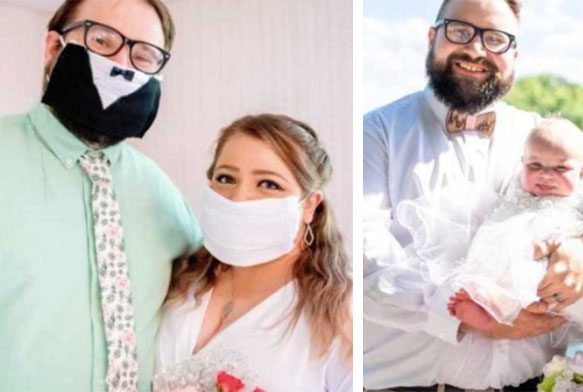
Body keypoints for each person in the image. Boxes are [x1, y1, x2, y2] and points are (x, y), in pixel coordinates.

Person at [364, 0, 583, 390]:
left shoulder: (542, 135)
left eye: (496, 39)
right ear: (433, 36)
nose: (476, 49)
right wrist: (467, 314)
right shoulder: (376, 132)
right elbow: (366, 263)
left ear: (515, 55)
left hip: (531, 383)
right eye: (460, 31)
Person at [0, 1, 201, 391]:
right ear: (53, 49)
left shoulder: (166, 200)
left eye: (143, 55)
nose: (122, 65)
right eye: (102, 40)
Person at [154, 115, 353, 391]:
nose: (239, 197)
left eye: (268, 184)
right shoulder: (182, 280)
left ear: (309, 206)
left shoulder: (340, 311)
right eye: (226, 178)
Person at [438, 119, 583, 333]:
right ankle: (485, 310)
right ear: (523, 162)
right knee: (486, 272)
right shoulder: (515, 183)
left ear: (582, 172)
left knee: (548, 285)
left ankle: (526, 308)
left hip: (554, 268)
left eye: (561, 168)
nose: (546, 174)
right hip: (508, 253)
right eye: (535, 165)